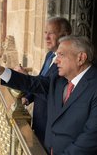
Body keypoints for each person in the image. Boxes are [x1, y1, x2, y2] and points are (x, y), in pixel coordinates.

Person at [0, 35, 97, 155]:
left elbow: (91, 137)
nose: (56, 60)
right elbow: (32, 82)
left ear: (81, 58)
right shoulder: (58, 79)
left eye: (61, 55)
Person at [17, 17, 71, 145]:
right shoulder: (50, 55)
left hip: (50, 123)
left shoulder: (67, 62)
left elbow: (51, 90)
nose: (46, 37)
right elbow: (42, 80)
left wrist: (25, 77)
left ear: (64, 35)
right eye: (45, 32)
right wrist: (28, 98)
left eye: (51, 33)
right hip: (38, 118)